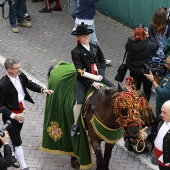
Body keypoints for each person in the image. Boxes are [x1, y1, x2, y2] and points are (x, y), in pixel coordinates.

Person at [0, 58, 54, 170]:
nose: (20, 69)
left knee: (13, 136)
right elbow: (0, 106)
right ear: (9, 70)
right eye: (17, 68)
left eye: (19, 67)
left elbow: (29, 84)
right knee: (17, 141)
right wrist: (13, 116)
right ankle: (24, 167)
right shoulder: (2, 84)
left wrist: (42, 90)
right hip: (11, 117)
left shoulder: (21, 75)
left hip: (21, 113)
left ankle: (12, 154)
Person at [70, 23, 115, 137]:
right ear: (78, 37)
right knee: (79, 101)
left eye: (87, 36)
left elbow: (102, 61)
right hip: (84, 79)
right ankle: (75, 124)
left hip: (98, 75)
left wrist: (101, 74)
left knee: (114, 89)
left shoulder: (95, 45)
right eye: (82, 36)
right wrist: (92, 82)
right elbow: (80, 71)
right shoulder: (75, 52)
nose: (85, 38)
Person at [72, 0, 112, 65]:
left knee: (90, 42)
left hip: (85, 21)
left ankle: (97, 58)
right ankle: (99, 59)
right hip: (86, 23)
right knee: (92, 42)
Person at [125, 27, 159, 101]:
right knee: (147, 92)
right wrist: (149, 35)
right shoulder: (149, 44)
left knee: (134, 90)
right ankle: (145, 106)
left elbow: (127, 46)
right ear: (144, 35)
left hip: (134, 72)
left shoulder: (130, 43)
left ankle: (134, 105)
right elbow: (156, 44)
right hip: (146, 72)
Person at [138, 100, 170, 170]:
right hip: (158, 157)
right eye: (161, 111)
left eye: (164, 112)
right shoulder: (161, 118)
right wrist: (146, 135)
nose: (161, 114)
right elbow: (153, 130)